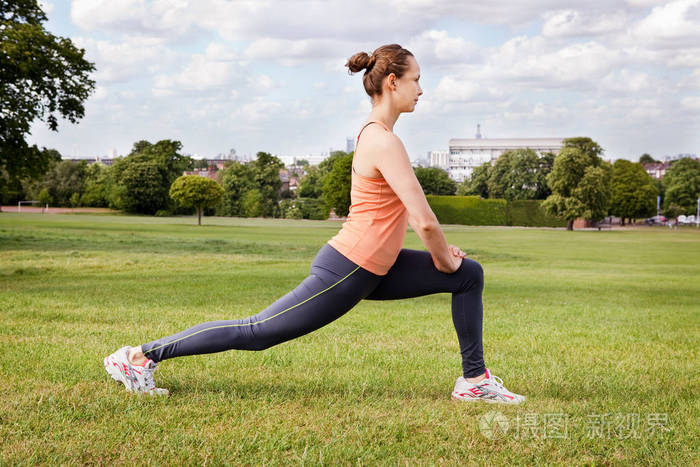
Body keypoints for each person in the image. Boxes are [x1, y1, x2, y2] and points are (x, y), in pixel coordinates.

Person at [104, 44, 526, 404]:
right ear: (392, 82)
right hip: (349, 267)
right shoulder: (382, 139)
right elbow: (425, 222)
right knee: (258, 331)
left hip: (377, 267)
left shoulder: (376, 135)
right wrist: (443, 260)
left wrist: (450, 265)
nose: (422, 88)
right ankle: (140, 355)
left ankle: (474, 381)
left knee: (468, 275)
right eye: (417, 79)